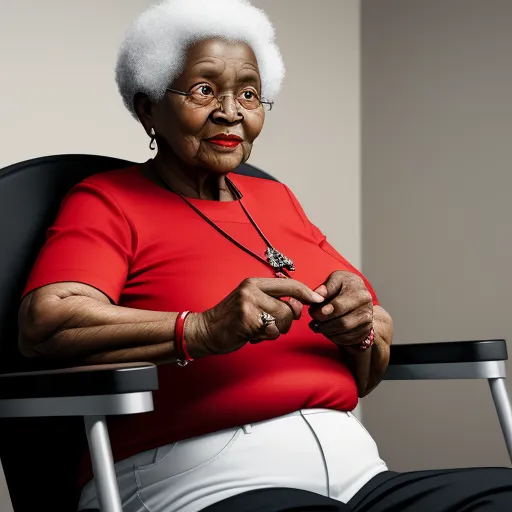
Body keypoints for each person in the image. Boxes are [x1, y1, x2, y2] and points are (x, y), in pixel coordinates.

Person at [17, 1, 512, 511]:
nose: (231, 112)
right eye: (205, 90)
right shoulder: (107, 199)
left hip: (361, 479)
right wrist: (202, 329)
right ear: (148, 108)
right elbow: (47, 323)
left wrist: (359, 323)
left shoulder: (276, 199)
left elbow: (368, 363)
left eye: (249, 94)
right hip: (197, 485)